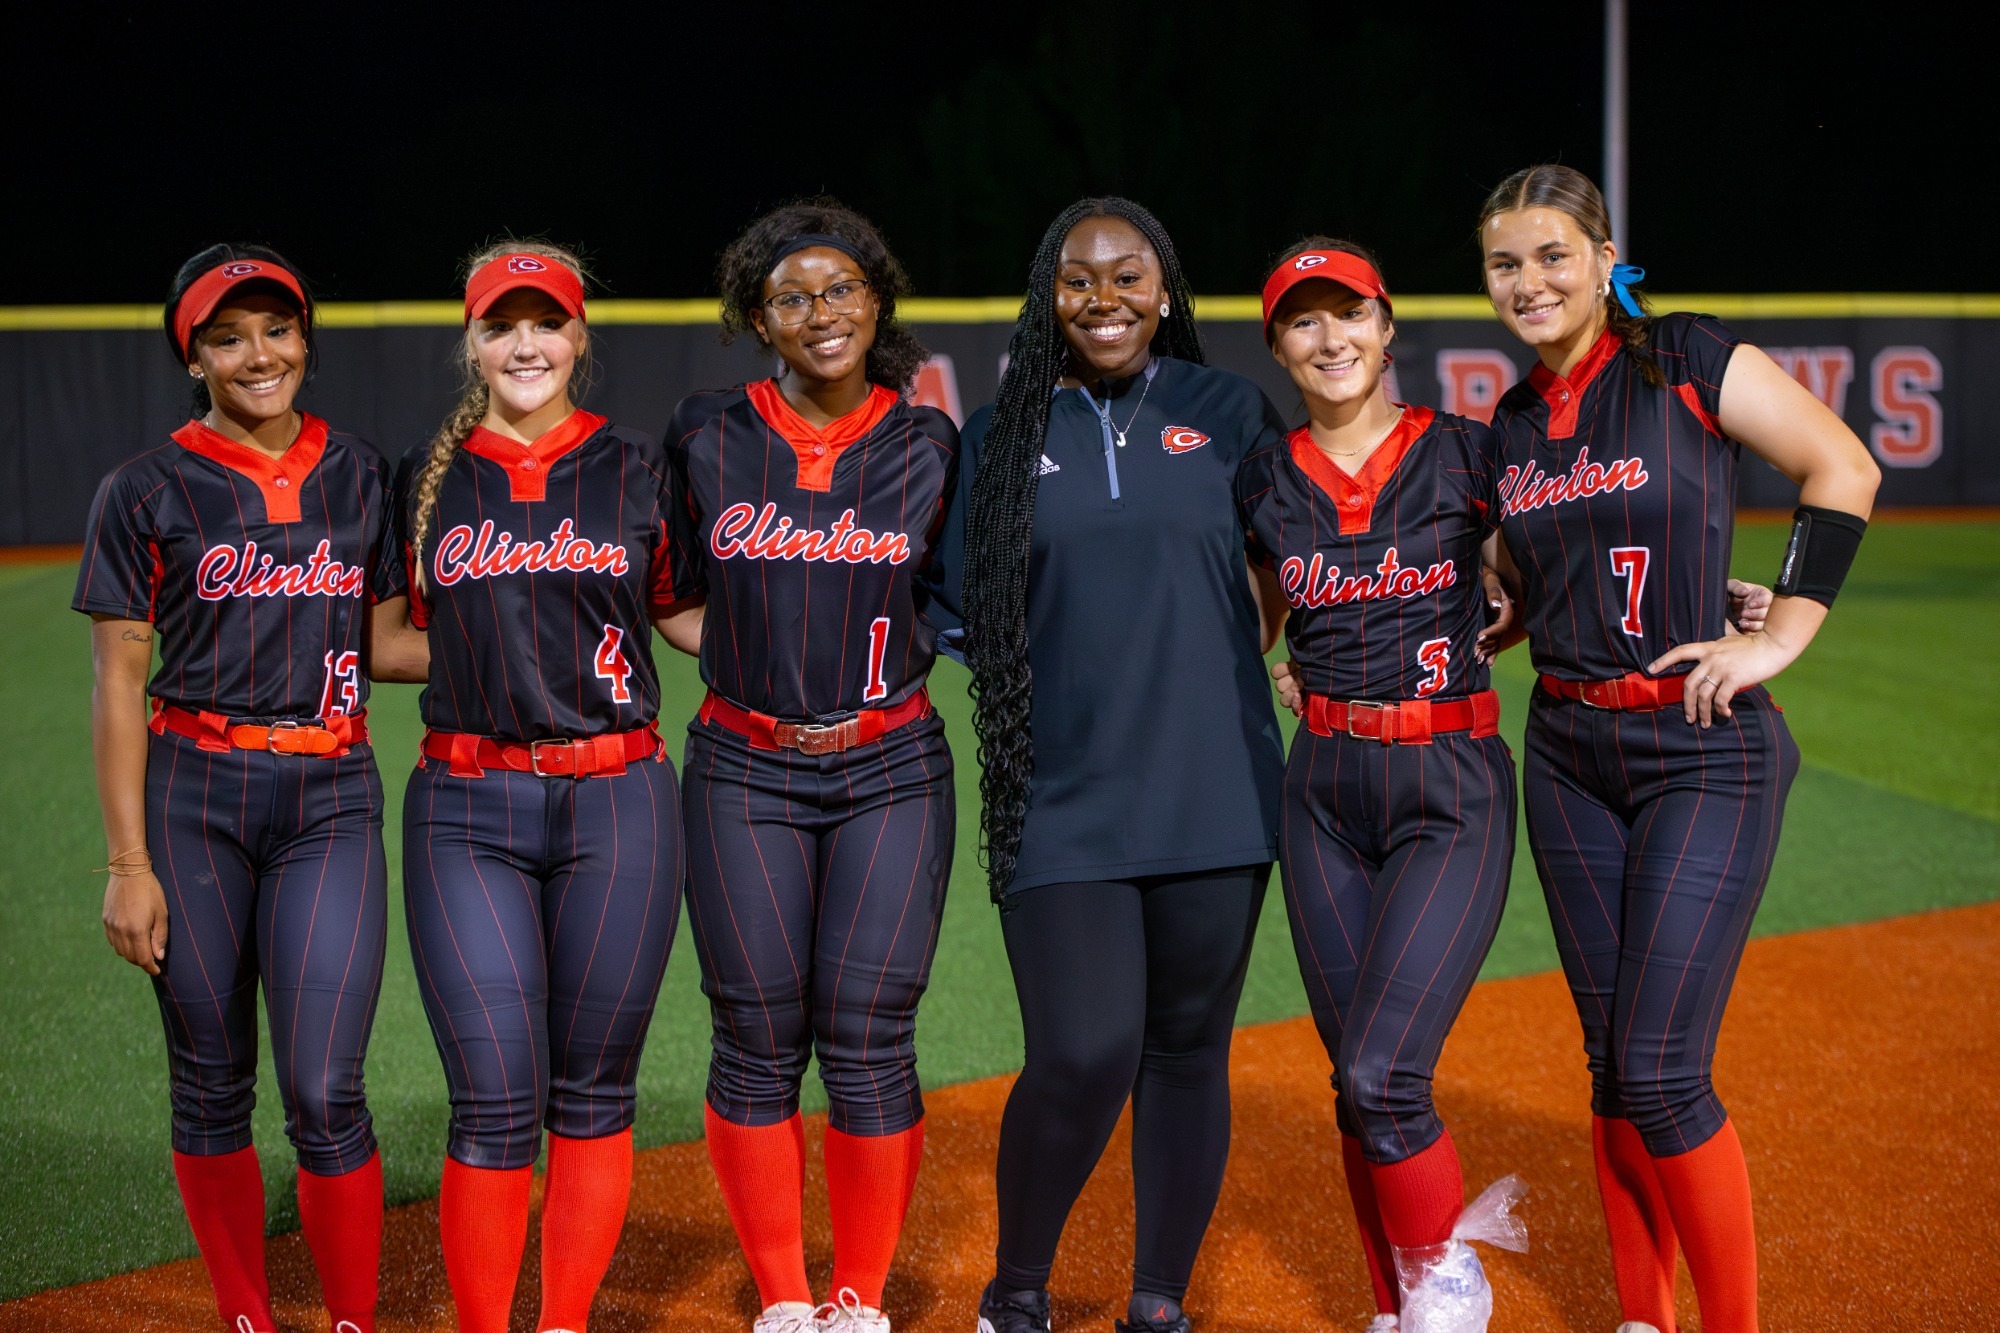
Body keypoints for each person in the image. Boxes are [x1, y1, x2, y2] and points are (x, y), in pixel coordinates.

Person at [1479, 164, 1879, 1333]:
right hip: (1563, 750)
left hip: (1702, 747)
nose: (1529, 281)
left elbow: (1839, 465)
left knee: (1658, 1069)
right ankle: (1639, 1316)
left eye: (1553, 254)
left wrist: (1780, 637)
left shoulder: (1682, 358)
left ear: (1605, 261)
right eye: (1504, 262)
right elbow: (1522, 581)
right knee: (1610, 1066)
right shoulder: (1509, 423)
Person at [927, 197, 1291, 1333]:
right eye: (1077, 281)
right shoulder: (995, 431)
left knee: (1185, 1052)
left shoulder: (1229, 408)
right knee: (1083, 1049)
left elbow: (1303, 561)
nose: (1103, 299)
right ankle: (1019, 1287)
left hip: (1215, 786)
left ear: (1165, 290)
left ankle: (1155, 1304)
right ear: (1049, 298)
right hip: (1059, 791)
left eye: (1127, 276)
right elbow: (955, 607)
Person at [371, 242, 687, 1333]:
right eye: (500, 324)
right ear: (471, 340)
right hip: (466, 806)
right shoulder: (421, 471)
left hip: (620, 800)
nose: (523, 343)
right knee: (497, 1094)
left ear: (577, 338)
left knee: (594, 1090)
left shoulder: (637, 465)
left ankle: (560, 1325)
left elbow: (682, 614)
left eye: (543, 321)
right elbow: (386, 642)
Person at [76, 244, 389, 1333]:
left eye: (276, 327)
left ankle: (350, 1316)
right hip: (192, 796)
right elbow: (119, 682)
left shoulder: (359, 471)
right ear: (193, 354)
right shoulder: (145, 489)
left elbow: (392, 636)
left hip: (331, 795)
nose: (259, 353)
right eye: (227, 336)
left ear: (305, 337)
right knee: (210, 1079)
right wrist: (127, 865)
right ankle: (247, 1315)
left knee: (324, 1088)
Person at [660, 201, 959, 1333]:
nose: (819, 313)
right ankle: (785, 1300)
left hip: (888, 765)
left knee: (871, 1028)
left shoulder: (929, 441)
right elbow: (673, 591)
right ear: (757, 319)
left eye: (840, 290)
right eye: (790, 297)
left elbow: (958, 601)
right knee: (754, 1031)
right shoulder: (705, 431)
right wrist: (746, 652)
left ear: (875, 303)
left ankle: (858, 1299)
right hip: (743, 765)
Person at [1245, 239, 1523, 1333]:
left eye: (1346, 314)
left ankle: (1444, 1279)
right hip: (1319, 785)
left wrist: (1714, 589)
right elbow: (1260, 615)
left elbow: (1556, 564)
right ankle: (1395, 1308)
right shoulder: (1264, 475)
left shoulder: (1463, 452)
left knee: (1379, 1068)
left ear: (1384, 323)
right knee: (1351, 1083)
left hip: (1446, 784)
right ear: (1276, 344)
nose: (1329, 339)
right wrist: (1274, 654)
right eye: (1302, 322)